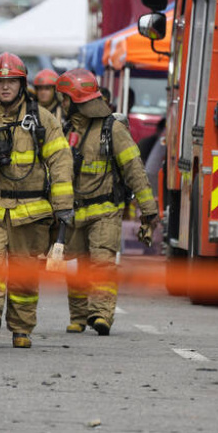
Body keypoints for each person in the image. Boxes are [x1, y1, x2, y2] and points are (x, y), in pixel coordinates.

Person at [0, 52, 74, 349]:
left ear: (22, 84)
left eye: (12, 82)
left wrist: (63, 210)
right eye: (0, 82)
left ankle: (21, 328)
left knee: (24, 277)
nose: (6, 88)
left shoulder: (43, 120)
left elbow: (61, 164)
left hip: (31, 212)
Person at [56, 68, 158, 335]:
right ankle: (78, 316)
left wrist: (149, 211)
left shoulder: (112, 129)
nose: (61, 103)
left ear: (76, 99)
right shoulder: (65, 130)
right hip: (74, 212)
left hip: (105, 211)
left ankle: (100, 314)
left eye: (64, 98)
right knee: (75, 264)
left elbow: (135, 169)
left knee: (102, 263)